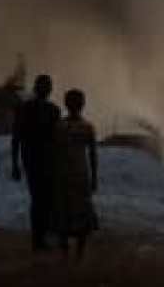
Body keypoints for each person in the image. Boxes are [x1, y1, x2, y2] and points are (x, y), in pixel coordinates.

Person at [11, 73, 61, 253]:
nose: (48, 89)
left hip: (37, 161)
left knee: (41, 200)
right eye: (47, 86)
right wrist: (15, 164)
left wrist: (15, 164)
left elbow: (16, 138)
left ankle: (40, 239)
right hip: (41, 161)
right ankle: (39, 240)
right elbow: (17, 137)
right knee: (42, 200)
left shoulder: (29, 109)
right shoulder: (50, 110)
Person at [53, 88, 99, 259]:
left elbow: (53, 153)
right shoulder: (87, 127)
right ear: (83, 105)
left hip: (64, 175)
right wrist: (94, 177)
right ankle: (78, 254)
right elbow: (92, 155)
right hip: (80, 175)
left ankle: (65, 253)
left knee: (64, 214)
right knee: (80, 214)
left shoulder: (59, 127)